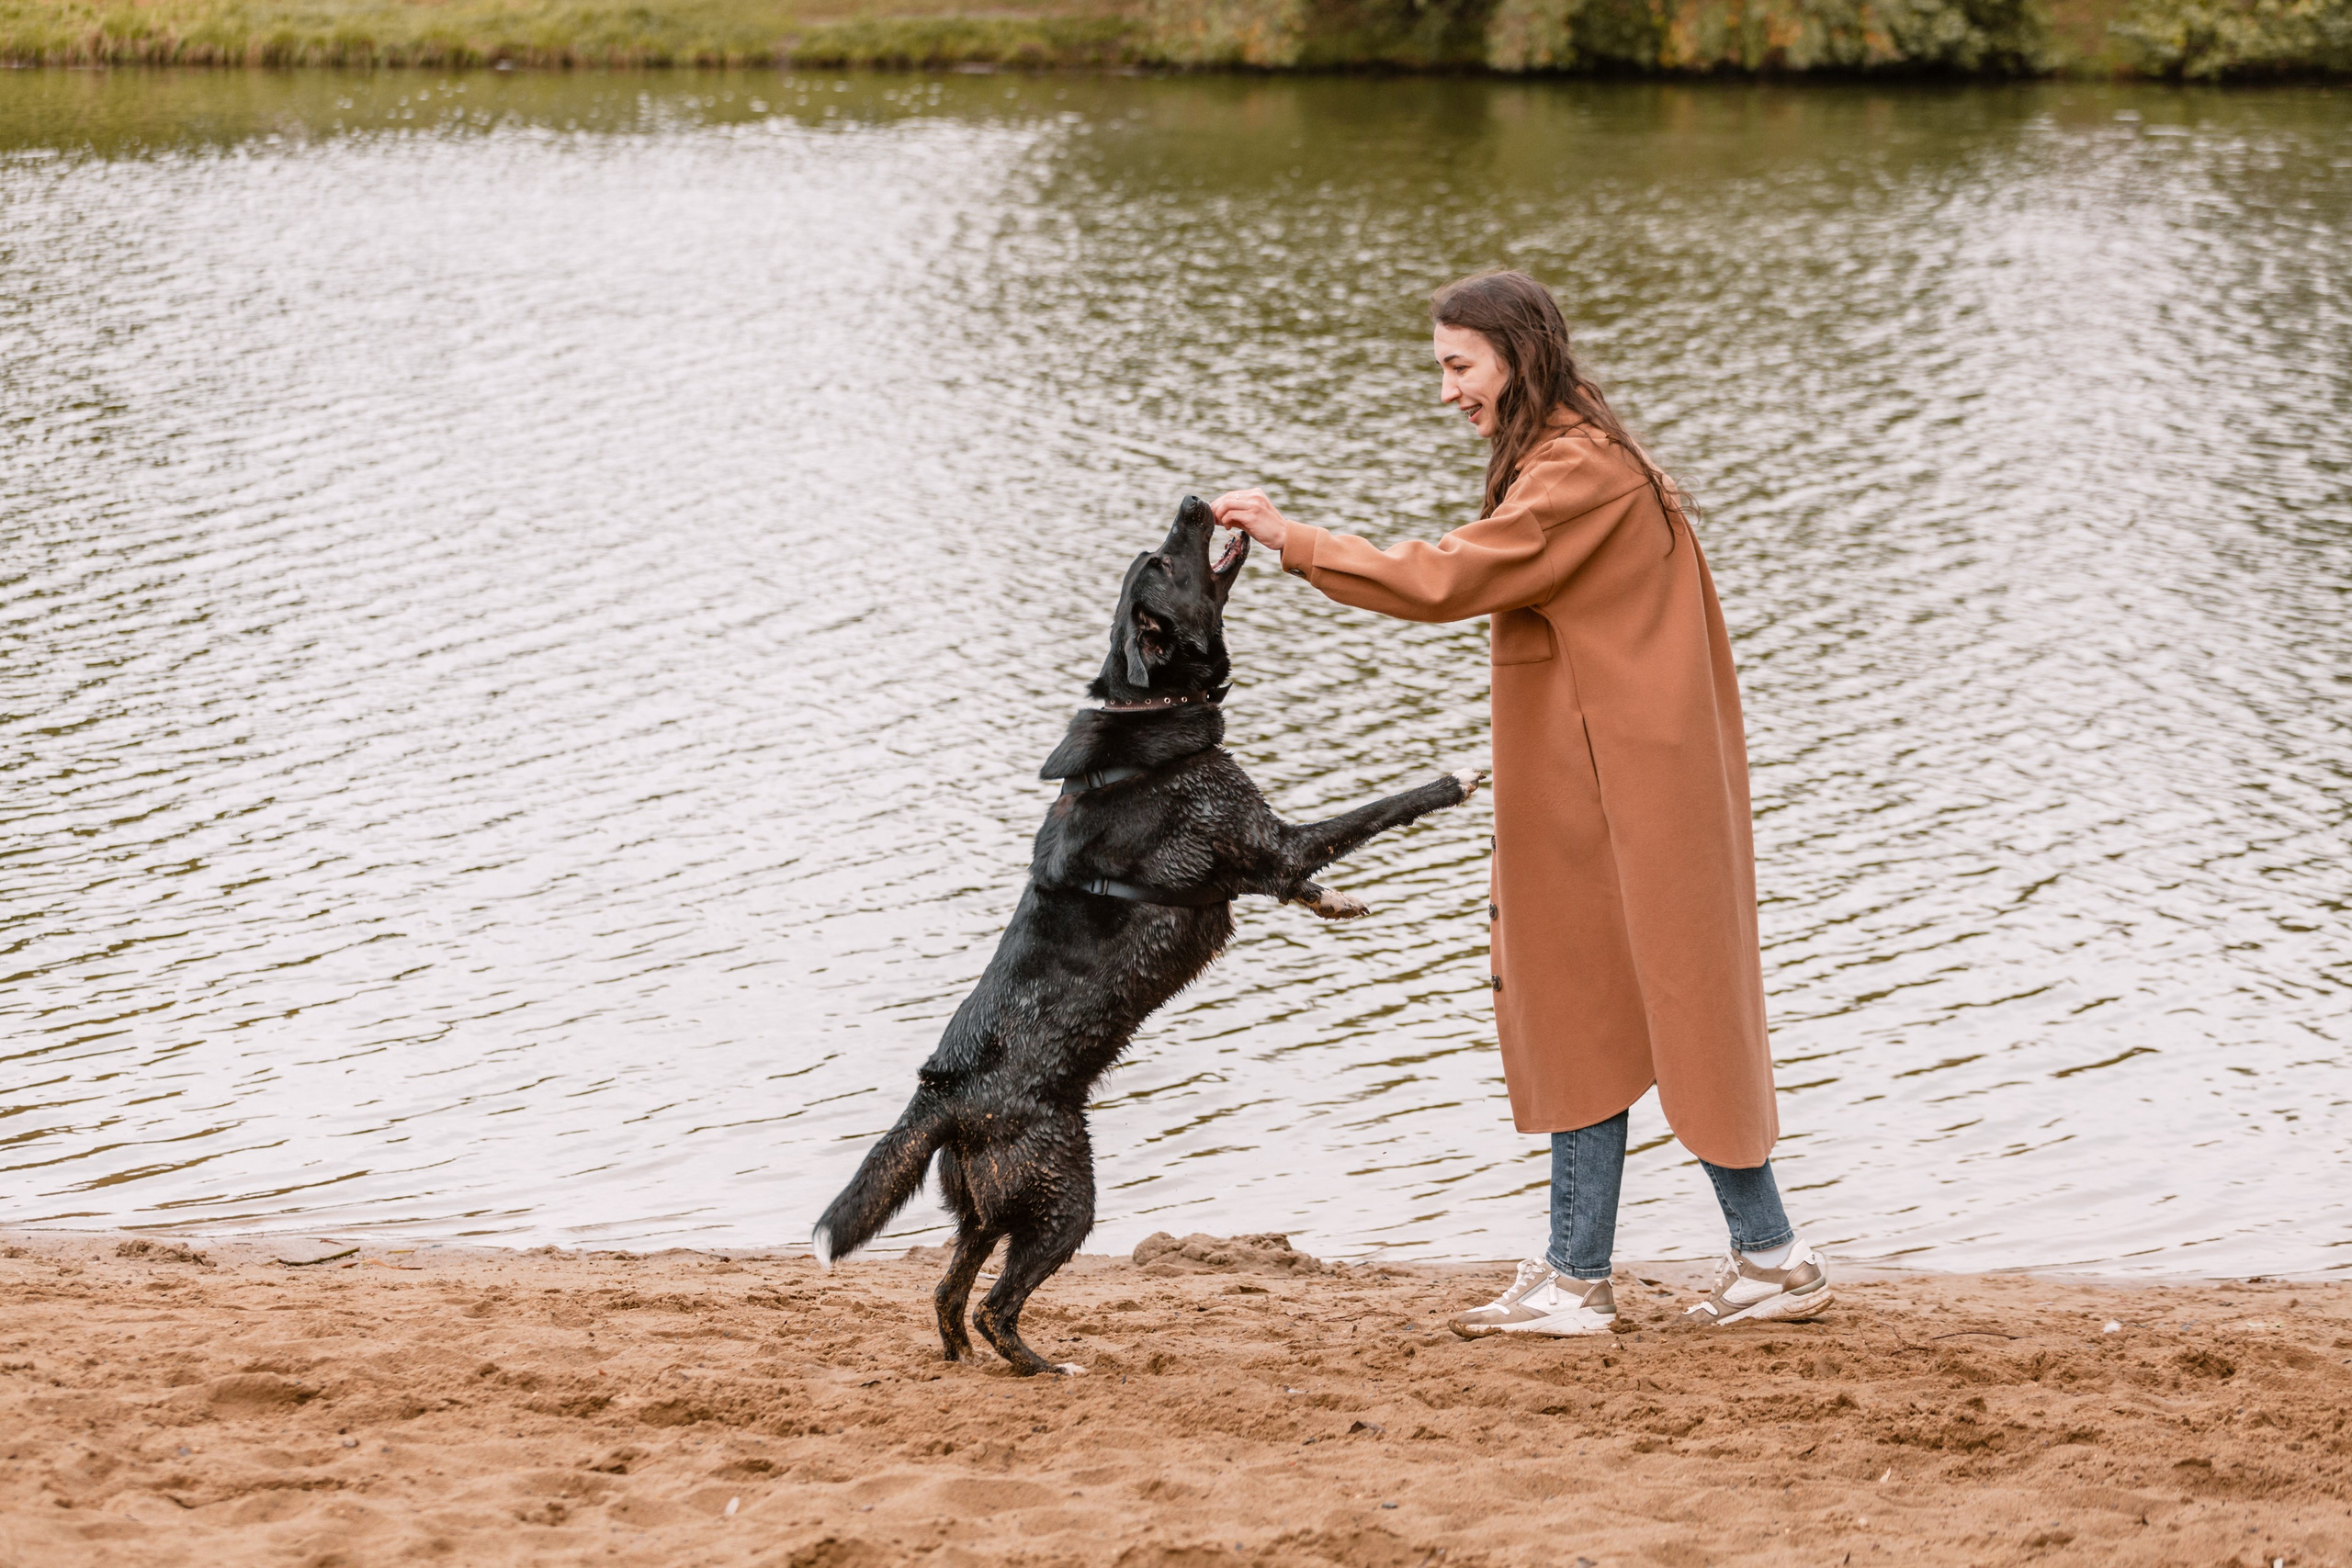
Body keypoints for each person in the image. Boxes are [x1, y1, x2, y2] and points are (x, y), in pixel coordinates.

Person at [1211, 269, 1831, 1336]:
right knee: (1617, 1006)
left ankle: (1601, 1279)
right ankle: (1736, 1261)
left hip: (1615, 799)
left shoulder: (1577, 474)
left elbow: (1445, 579)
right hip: (1621, 790)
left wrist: (1291, 537)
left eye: (1459, 367)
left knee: (1604, 1004)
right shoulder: (1579, 454)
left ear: (1517, 356)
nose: (1447, 391)